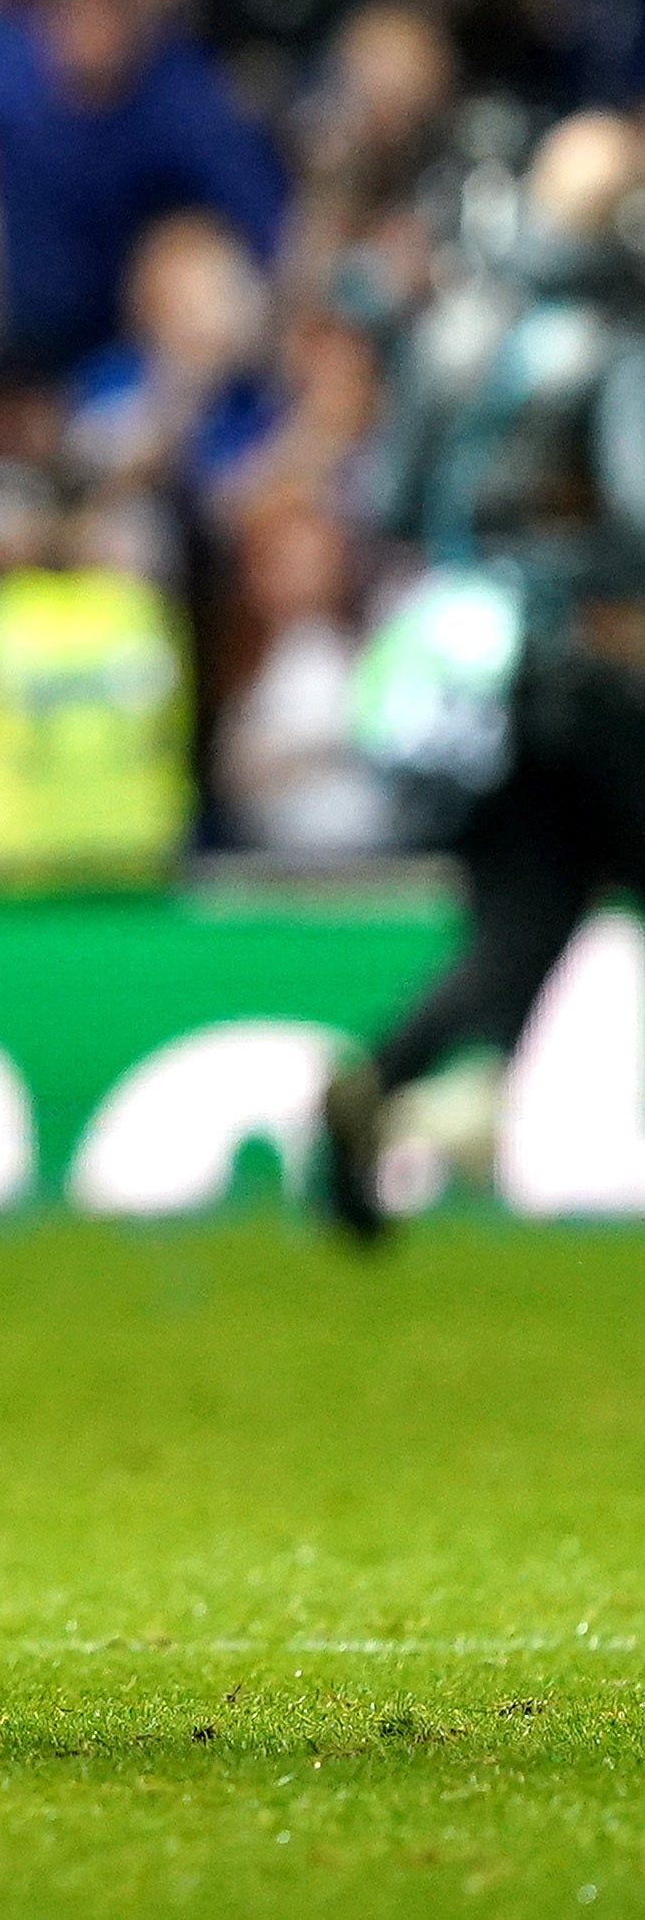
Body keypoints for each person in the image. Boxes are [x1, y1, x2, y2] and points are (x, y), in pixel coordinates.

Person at [323, 111, 645, 1241]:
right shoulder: (619, 329)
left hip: (460, 661)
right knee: (532, 916)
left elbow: (389, 498)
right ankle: (454, 1096)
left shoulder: (456, 322)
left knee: (517, 920)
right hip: (593, 663)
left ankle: (389, 1078)